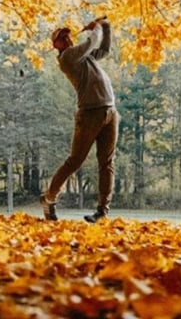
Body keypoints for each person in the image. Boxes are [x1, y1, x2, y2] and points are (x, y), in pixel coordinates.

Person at [41, 16, 118, 223]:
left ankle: (102, 212)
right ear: (56, 45)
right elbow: (93, 42)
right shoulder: (67, 58)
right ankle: (49, 198)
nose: (66, 40)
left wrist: (105, 27)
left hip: (110, 112)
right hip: (89, 114)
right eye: (61, 38)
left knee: (107, 163)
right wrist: (95, 29)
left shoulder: (85, 57)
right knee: (75, 160)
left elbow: (104, 50)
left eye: (67, 36)